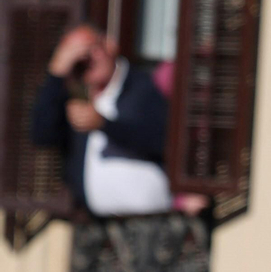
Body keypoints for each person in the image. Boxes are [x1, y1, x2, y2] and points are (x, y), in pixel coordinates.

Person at [30, 25, 171, 216]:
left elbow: (163, 141)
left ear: (109, 45)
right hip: (97, 227)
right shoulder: (72, 99)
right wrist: (56, 74)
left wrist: (105, 125)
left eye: (90, 50)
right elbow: (42, 136)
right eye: (76, 57)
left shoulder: (143, 86)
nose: (86, 61)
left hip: (157, 221)